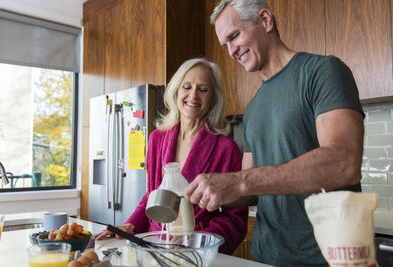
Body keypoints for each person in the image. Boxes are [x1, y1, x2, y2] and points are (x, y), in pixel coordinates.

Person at [184, 1, 365, 266]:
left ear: (265, 21)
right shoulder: (254, 106)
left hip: (326, 258)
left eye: (234, 36)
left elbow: (344, 163)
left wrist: (238, 181)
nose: (232, 51)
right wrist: (209, 191)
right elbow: (250, 189)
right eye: (225, 45)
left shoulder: (322, 72)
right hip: (265, 256)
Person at [95, 58, 248, 254]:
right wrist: (131, 224)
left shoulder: (226, 149)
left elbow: (234, 218)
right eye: (187, 87)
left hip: (197, 253)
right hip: (154, 248)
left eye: (203, 89)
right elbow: (152, 196)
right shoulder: (157, 139)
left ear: (213, 99)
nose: (193, 95)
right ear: (177, 91)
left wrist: (198, 242)